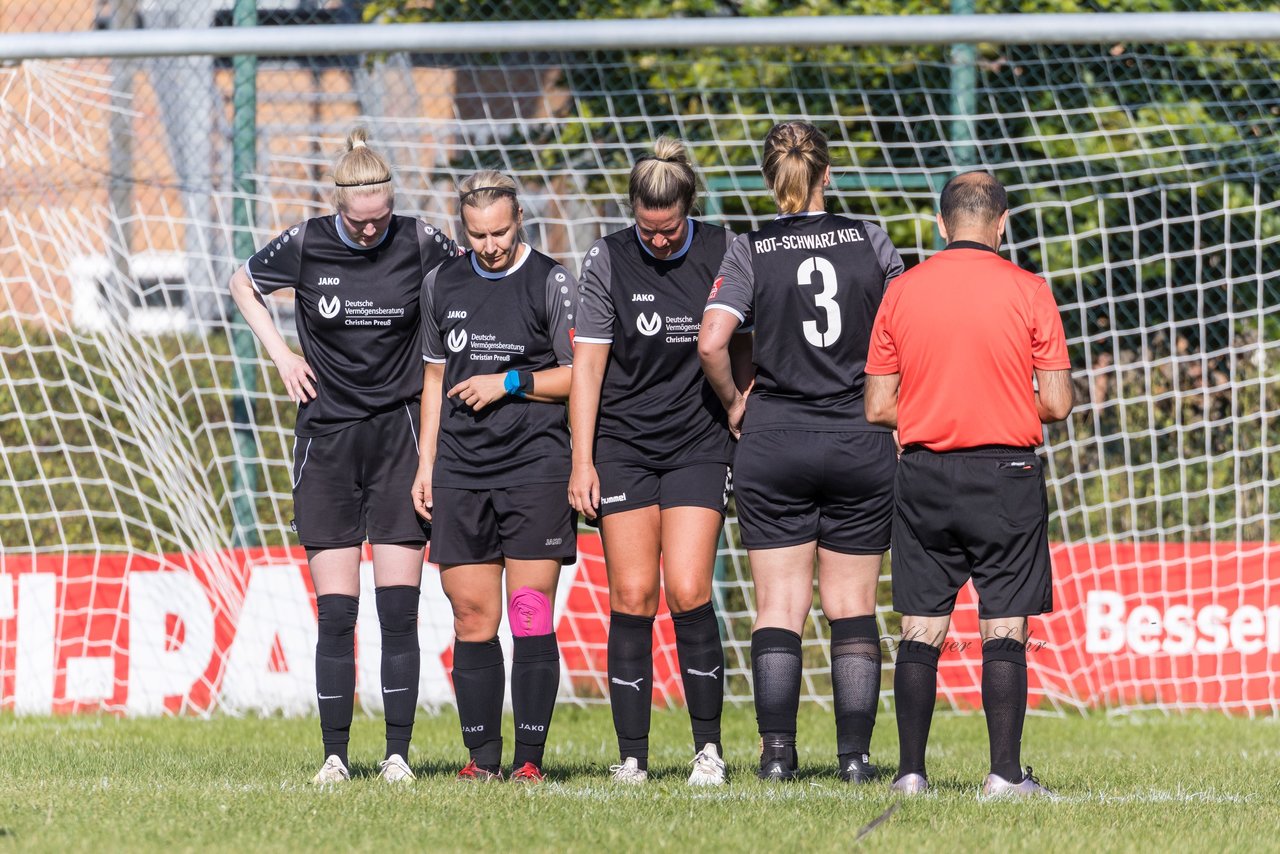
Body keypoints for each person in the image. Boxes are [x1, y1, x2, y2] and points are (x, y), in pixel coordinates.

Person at [229, 127, 459, 785]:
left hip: (401, 441)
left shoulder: (418, 238)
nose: (369, 231)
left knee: (398, 609)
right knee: (337, 613)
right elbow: (241, 282)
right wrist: (280, 354)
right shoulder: (307, 241)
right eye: (358, 221)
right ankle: (335, 756)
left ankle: (397, 757)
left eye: (379, 218)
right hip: (327, 441)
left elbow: (472, 281)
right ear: (339, 206)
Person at [698, 121, 904, 783]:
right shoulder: (871, 240)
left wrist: (735, 400)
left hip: (775, 439)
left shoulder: (749, 248)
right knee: (851, 606)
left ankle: (778, 757)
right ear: (828, 173)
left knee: (779, 606)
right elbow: (904, 330)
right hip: (859, 436)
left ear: (768, 178)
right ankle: (853, 760)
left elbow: (710, 341)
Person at [864, 171, 1074, 798]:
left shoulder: (903, 292)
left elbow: (878, 405)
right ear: (1002, 222)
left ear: (940, 224)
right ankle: (1004, 775)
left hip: (924, 474)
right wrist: (996, 399)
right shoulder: (1029, 289)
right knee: (1004, 625)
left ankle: (909, 774)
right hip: (1004, 476)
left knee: (920, 627)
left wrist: (940, 403)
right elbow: (1059, 402)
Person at [569, 137, 748, 786]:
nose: (660, 240)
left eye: (670, 229)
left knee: (690, 589)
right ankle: (633, 757)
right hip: (624, 447)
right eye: (648, 229)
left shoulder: (728, 249)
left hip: (700, 443)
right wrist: (581, 461)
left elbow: (746, 345)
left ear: (688, 211)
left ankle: (709, 752)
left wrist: (744, 412)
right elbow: (587, 366)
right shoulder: (607, 258)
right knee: (633, 594)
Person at [413, 171, 577, 784]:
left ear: (520, 221)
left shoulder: (551, 281)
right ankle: (481, 760)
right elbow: (433, 377)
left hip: (534, 468)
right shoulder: (442, 283)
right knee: (472, 619)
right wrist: (426, 463)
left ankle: (529, 762)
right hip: (460, 469)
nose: (490, 244)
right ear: (464, 228)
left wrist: (509, 380)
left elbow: (579, 375)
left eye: (500, 232)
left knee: (530, 612)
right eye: (477, 234)